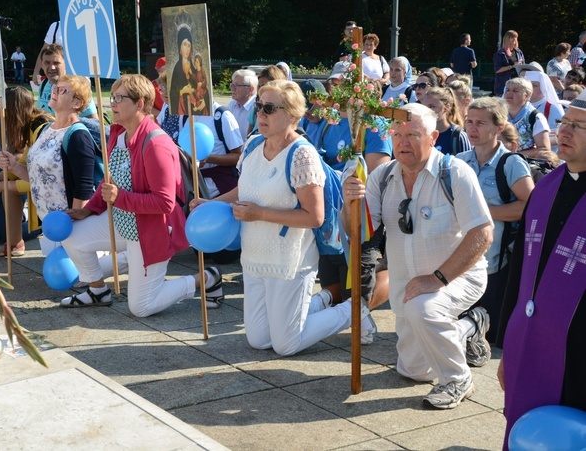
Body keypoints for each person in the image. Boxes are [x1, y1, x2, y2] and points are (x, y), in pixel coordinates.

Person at [342, 103, 494, 409]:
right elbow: (358, 233)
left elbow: (483, 234)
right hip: (407, 285)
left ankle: (457, 379)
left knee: (425, 309)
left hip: (456, 277)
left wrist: (436, 279)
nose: (403, 142)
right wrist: (349, 203)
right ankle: (469, 326)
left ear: (434, 137)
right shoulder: (382, 176)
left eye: (413, 134)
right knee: (412, 371)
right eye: (397, 134)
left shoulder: (455, 173)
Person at [206, 79, 359, 356]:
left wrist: (259, 214)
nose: (260, 115)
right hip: (254, 257)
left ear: (291, 115)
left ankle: (353, 311)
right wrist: (209, 204)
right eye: (258, 108)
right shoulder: (253, 145)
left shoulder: (302, 155)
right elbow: (244, 188)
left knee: (286, 344)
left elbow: (314, 216)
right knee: (259, 340)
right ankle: (323, 300)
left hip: (289, 260)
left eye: (268, 108)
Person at [51, 75, 222, 314]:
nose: (113, 103)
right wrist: (88, 209)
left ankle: (205, 278)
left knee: (141, 307)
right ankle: (98, 291)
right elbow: (110, 185)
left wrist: (119, 198)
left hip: (151, 230)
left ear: (140, 104)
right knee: (72, 234)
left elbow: (164, 203)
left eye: (119, 98)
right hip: (124, 222)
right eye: (113, 97)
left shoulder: (156, 144)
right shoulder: (119, 134)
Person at [496, 87, 586, 448]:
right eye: (564, 122)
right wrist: (507, 347)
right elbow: (519, 274)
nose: (563, 132)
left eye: (578, 126)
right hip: (531, 338)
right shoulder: (545, 187)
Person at [298, 78, 392, 344]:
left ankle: (390, 279)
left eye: (347, 87)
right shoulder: (331, 122)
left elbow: (377, 172)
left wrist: (343, 176)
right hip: (332, 213)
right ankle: (350, 309)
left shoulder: (375, 124)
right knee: (332, 282)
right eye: (337, 86)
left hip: (363, 212)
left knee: (359, 283)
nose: (341, 92)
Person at [457, 97, 534, 342]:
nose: (472, 128)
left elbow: (531, 207)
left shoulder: (511, 164)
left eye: (480, 123)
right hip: (459, 262)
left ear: (499, 128)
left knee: (488, 336)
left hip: (495, 267)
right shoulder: (459, 161)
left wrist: (480, 211)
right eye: (469, 121)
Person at [0, 75, 99, 257]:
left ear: (77, 102)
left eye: (62, 90)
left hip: (67, 224)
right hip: (51, 223)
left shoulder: (78, 136)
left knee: (80, 276)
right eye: (55, 88)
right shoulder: (46, 130)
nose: (54, 92)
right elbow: (39, 177)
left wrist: (74, 224)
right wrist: (13, 166)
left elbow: (83, 186)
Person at [0, 87, 51, 257]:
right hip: (41, 183)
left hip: (55, 191)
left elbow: (39, 179)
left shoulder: (40, 130)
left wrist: (3, 185)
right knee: (6, 193)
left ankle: (23, 236)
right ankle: (14, 244)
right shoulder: (32, 125)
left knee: (7, 190)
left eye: (4, 112)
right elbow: (22, 163)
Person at [37, 44, 99, 120]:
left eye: (56, 63)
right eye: (47, 63)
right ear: (42, 65)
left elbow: (94, 123)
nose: (52, 67)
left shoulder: (78, 87)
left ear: (66, 64)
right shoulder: (43, 85)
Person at [504, 77, 552, 158]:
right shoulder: (500, 114)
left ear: (527, 95)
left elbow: (545, 150)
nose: (509, 93)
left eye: (515, 91)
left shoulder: (536, 117)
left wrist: (514, 155)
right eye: (507, 90)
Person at [169, 27, 209, 116]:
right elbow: (172, 93)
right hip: (181, 111)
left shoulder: (194, 69)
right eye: (184, 44)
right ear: (180, 48)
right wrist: (183, 91)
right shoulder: (177, 68)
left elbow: (204, 89)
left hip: (195, 112)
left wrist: (204, 100)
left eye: (189, 45)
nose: (187, 48)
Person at [423, 87, 471, 155]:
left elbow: (467, 163)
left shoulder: (458, 136)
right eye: (424, 107)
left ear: (447, 107)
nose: (427, 111)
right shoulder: (423, 133)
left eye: (432, 106)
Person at [493, 30, 525, 97]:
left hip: (517, 85)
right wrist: (512, 66)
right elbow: (497, 70)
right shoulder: (500, 54)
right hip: (503, 86)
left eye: (516, 37)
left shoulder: (519, 52)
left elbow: (524, 66)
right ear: (507, 39)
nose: (514, 39)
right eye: (512, 37)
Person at [228, 69, 258, 138]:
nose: (233, 88)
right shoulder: (232, 104)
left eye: (237, 86)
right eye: (232, 85)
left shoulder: (256, 108)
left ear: (251, 89)